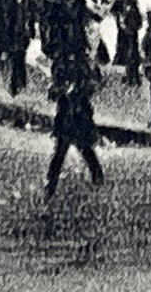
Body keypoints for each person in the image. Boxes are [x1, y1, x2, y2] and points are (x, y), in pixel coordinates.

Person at [43, 51, 105, 204]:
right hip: (66, 114)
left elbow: (94, 83)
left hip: (79, 113)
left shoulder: (84, 65)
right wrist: (60, 90)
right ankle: (52, 181)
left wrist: (78, 90)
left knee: (83, 147)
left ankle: (97, 174)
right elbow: (53, 90)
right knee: (62, 150)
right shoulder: (61, 65)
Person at [111, 0, 143, 86]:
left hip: (130, 31)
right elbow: (113, 10)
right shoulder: (120, 0)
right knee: (126, 54)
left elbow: (137, 17)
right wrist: (119, 18)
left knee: (131, 54)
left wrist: (128, 22)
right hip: (123, 32)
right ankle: (129, 75)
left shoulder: (131, 0)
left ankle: (133, 77)